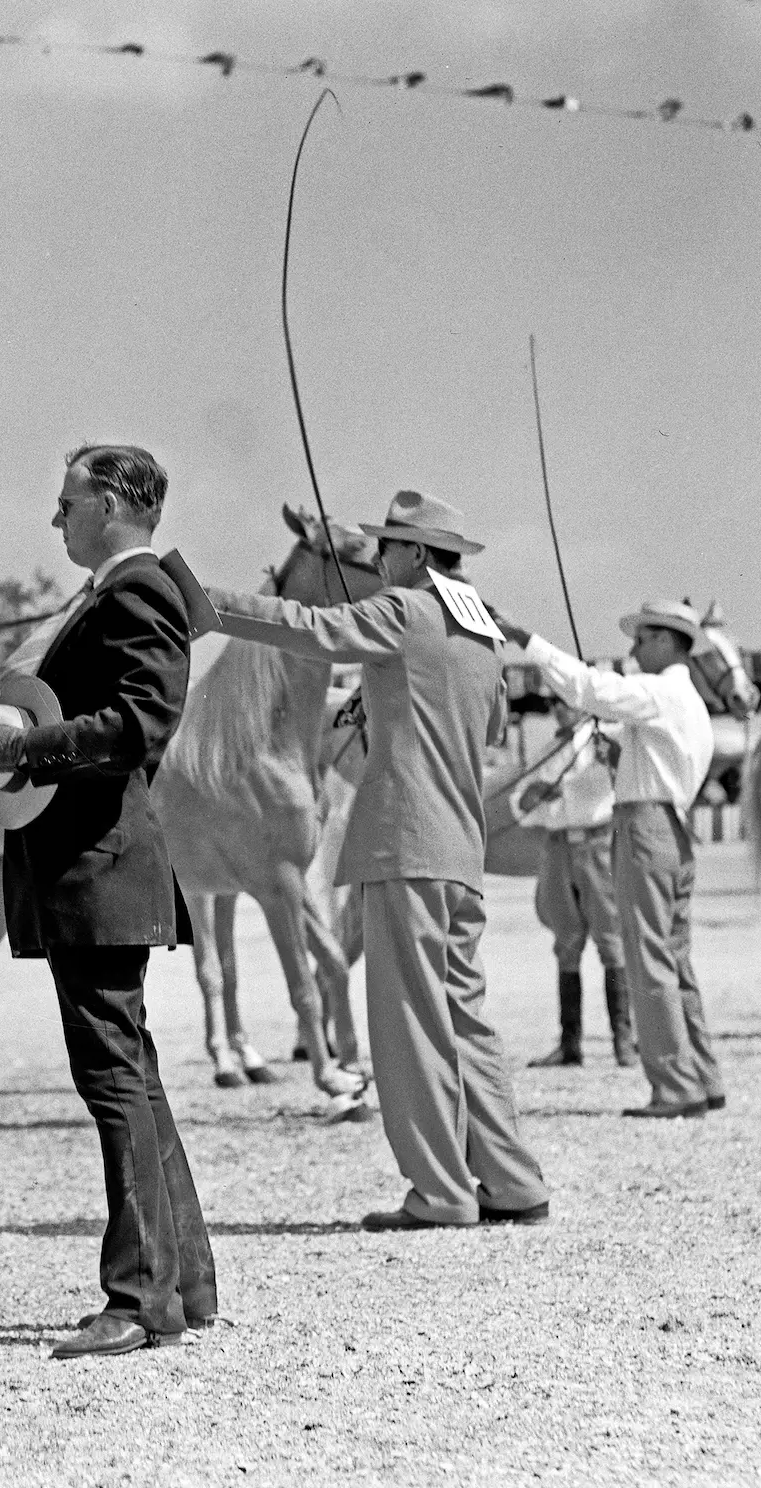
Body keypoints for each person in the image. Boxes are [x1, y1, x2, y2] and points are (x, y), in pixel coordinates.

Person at [0, 442, 215, 1360]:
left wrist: (18, 752)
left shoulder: (135, 591)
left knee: (114, 1079)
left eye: (66, 500)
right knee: (131, 1077)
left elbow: (139, 723)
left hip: (98, 868)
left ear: (111, 501)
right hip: (87, 869)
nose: (55, 516)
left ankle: (138, 1300)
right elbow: (27, 742)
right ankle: (181, 1287)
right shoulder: (104, 598)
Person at [203, 489, 550, 1232]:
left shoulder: (404, 612)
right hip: (459, 847)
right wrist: (383, 694)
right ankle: (511, 1180)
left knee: (407, 1025)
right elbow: (481, 726)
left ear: (416, 555)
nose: (379, 562)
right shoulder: (480, 629)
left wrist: (203, 600)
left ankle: (439, 1192)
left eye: (387, 549)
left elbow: (312, 625)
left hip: (403, 844)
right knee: (462, 1019)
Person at [494, 600, 722, 1118]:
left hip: (646, 829)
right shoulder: (687, 703)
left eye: (641, 639)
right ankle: (702, 1075)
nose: (633, 649)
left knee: (650, 959)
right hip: (675, 830)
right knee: (676, 958)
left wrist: (527, 638)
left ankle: (675, 1087)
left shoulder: (659, 692)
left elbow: (589, 689)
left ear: (667, 640)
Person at [515, 700, 637, 1068]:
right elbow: (519, 800)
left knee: (610, 939)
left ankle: (624, 1040)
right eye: (553, 702)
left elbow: (623, 781)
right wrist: (532, 796)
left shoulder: (604, 740)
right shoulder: (549, 748)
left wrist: (611, 757)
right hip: (557, 847)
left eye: (565, 701)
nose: (558, 709)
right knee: (565, 942)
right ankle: (570, 1043)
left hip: (596, 844)